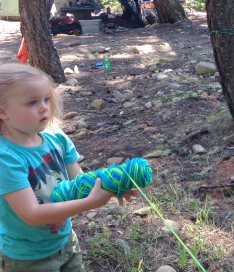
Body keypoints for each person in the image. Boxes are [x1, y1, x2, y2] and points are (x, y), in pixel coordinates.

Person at [0, 64, 135, 271]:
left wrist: (112, 184)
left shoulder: (56, 137)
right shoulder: (6, 158)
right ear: (3, 111)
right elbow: (32, 214)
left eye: (46, 99)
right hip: (27, 257)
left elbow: (81, 182)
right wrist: (91, 203)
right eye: (32, 102)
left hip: (65, 241)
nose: (45, 107)